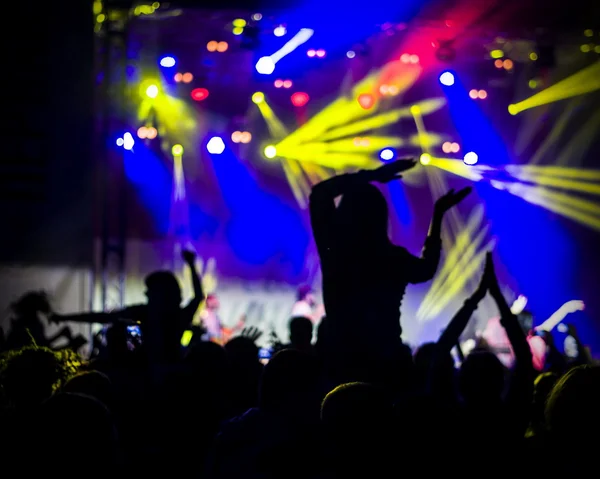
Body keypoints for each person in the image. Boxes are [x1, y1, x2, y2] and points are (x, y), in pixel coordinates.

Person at [309, 159, 470, 362]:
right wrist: (437, 216)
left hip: (341, 358)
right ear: (380, 216)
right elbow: (426, 269)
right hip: (386, 360)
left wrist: (373, 175)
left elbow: (319, 193)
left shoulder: (335, 250)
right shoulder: (391, 258)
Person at [50, 249, 204, 362]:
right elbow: (198, 297)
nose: (146, 294)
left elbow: (103, 317)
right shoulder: (174, 316)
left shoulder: (145, 313)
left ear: (161, 294)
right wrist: (190, 264)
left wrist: (65, 317)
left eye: (150, 291)